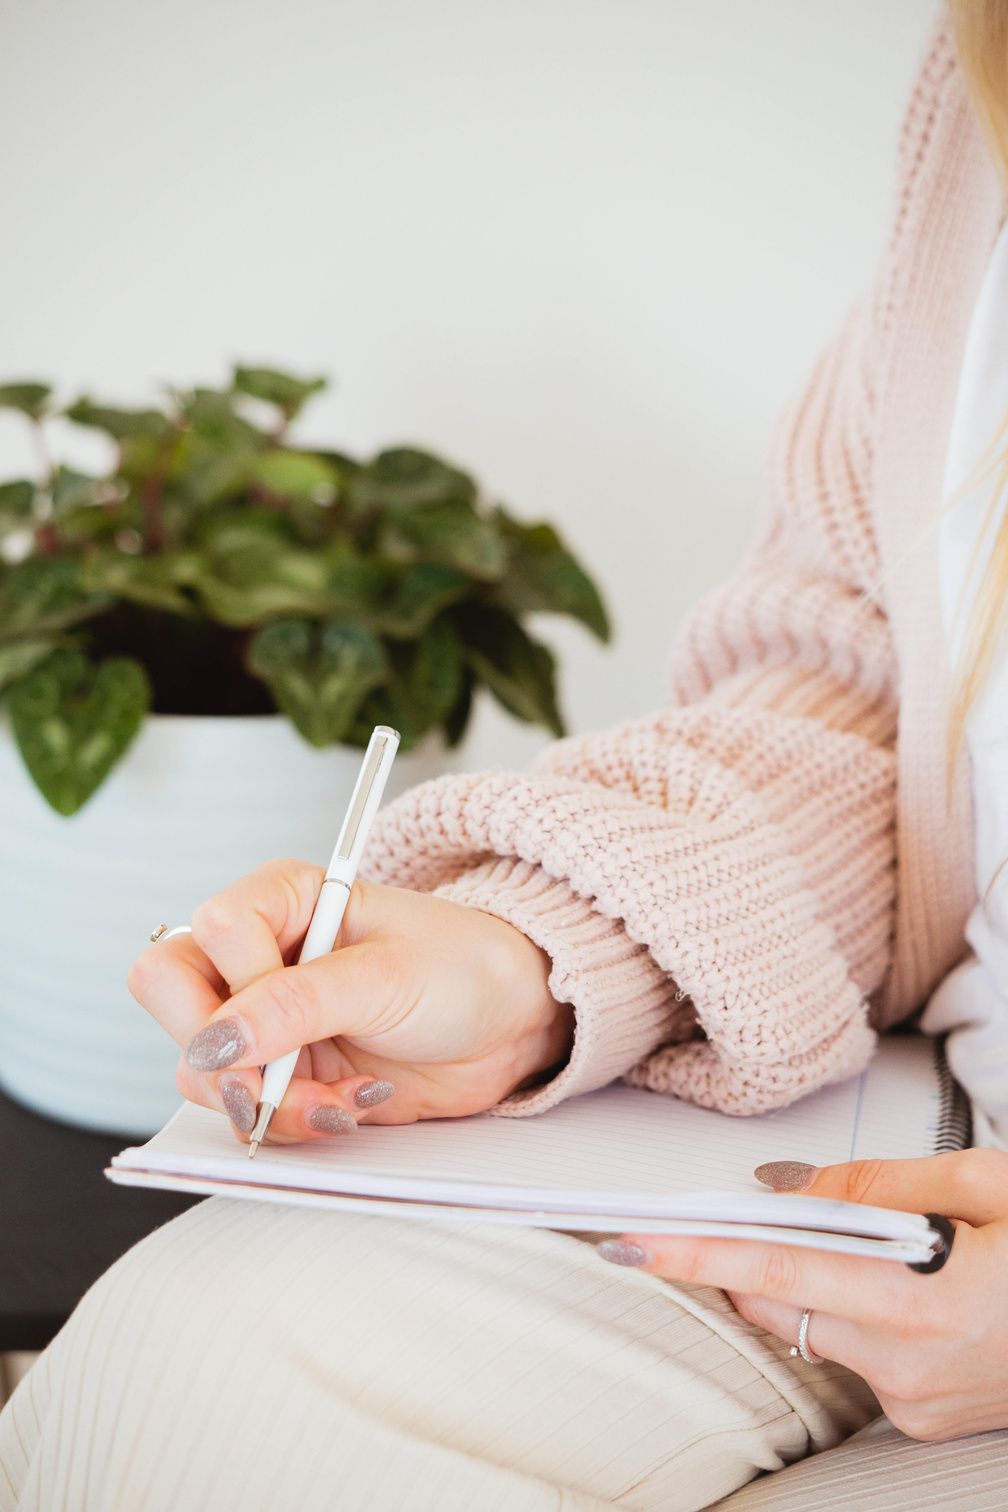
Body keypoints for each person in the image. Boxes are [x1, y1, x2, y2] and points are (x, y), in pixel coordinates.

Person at [3, 7, 1008, 1509]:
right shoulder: (981, 91)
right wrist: (538, 961)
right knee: (178, 1383)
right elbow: (868, 690)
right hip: (921, 1133)